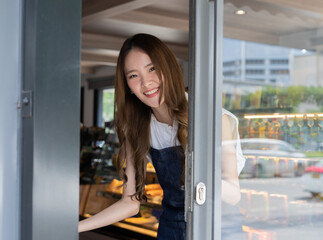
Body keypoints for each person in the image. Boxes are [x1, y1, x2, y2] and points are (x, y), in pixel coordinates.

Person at [78, 33, 244, 239]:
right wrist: (74, 228)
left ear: (168, 67)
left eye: (152, 69)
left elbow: (233, 195)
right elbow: (130, 204)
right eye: (133, 75)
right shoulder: (137, 129)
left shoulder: (213, 119)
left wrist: (197, 175)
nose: (146, 82)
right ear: (127, 86)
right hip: (171, 230)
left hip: (217, 230)